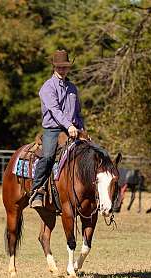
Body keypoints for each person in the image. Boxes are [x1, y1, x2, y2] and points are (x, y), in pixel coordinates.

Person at [30, 49, 85, 208]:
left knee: (89, 154)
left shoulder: (73, 88)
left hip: (73, 129)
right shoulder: (47, 87)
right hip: (53, 130)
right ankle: (37, 190)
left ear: (68, 68)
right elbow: (55, 110)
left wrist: (82, 129)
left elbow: (78, 112)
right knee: (48, 156)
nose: (62, 69)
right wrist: (69, 125)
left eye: (65, 67)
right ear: (54, 67)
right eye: (59, 67)